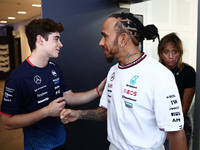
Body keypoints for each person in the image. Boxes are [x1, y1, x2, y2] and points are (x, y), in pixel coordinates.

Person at [60, 12, 187, 150]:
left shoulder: (159, 75)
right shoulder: (113, 71)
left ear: (123, 39)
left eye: (105, 36)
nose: (101, 42)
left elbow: (176, 132)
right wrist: (77, 114)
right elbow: (108, 112)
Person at [0, 18, 106, 150]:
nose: (60, 44)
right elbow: (7, 123)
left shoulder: (54, 68)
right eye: (56, 39)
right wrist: (46, 112)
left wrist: (98, 91)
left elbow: (70, 98)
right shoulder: (17, 78)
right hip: (38, 147)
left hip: (61, 142)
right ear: (40, 40)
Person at [157, 32, 196, 150]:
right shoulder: (154, 71)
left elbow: (185, 107)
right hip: (157, 121)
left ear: (180, 53)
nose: (170, 56)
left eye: (175, 52)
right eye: (166, 52)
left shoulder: (188, 72)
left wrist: (171, 129)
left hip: (180, 121)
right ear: (160, 53)